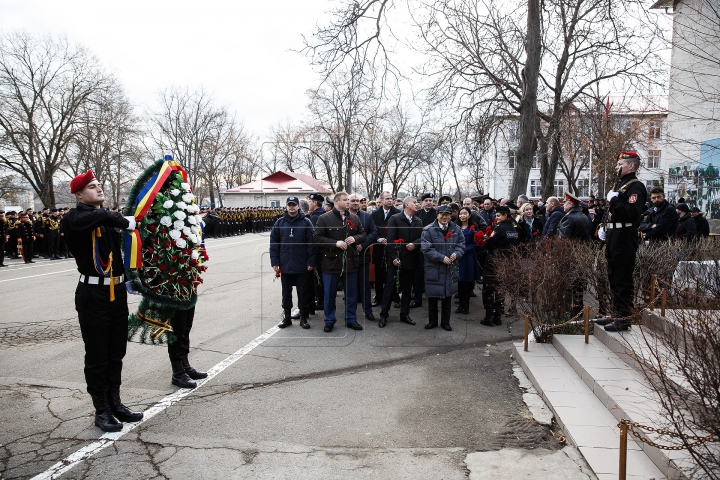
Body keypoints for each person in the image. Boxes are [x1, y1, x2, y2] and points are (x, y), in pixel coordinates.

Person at [62, 169, 143, 432]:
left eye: (99, 185)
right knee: (97, 355)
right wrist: (123, 220)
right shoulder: (76, 218)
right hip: (93, 295)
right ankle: (102, 410)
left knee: (116, 352)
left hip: (116, 292)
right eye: (92, 187)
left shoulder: (106, 220)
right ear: (79, 195)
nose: (98, 189)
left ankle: (115, 403)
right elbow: (97, 217)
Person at [595, 151, 647, 332]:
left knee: (623, 277)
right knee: (614, 275)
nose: (617, 168)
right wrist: (605, 225)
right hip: (614, 233)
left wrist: (615, 199)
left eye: (620, 164)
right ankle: (617, 312)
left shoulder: (636, 187)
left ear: (631, 166)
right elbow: (613, 211)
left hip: (625, 234)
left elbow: (632, 212)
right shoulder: (620, 184)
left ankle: (623, 318)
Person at [314, 192, 367, 332]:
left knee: (351, 294)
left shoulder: (354, 218)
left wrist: (355, 238)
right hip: (331, 263)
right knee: (330, 294)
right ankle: (329, 320)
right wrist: (335, 243)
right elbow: (317, 238)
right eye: (345, 200)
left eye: (348, 200)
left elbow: (363, 234)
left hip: (350, 262)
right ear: (336, 202)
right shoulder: (324, 218)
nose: (348, 202)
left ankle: (351, 319)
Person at [270, 196, 316, 330]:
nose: (291, 207)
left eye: (294, 205)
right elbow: (274, 244)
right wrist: (275, 262)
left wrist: (311, 261)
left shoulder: (306, 222)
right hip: (285, 265)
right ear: (286, 206)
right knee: (286, 293)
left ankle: (303, 318)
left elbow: (311, 244)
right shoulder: (279, 223)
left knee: (303, 293)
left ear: (298, 206)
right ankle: (287, 317)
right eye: (289, 205)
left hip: (302, 265)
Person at [378, 196, 424, 328]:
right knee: (389, 287)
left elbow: (422, 237)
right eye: (414, 203)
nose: (417, 204)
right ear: (406, 205)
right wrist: (393, 258)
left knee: (407, 288)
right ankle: (383, 315)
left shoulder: (418, 221)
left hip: (411, 259)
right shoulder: (395, 218)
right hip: (396, 259)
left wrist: (415, 244)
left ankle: (404, 314)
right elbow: (391, 239)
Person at [421, 205, 465, 330]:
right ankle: (432, 321)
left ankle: (445, 322)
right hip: (434, 268)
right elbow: (426, 248)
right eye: (442, 214)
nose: (444, 217)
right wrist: (441, 257)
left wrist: (456, 254)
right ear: (437, 215)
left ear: (451, 216)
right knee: (433, 296)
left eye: (447, 215)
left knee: (447, 296)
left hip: (450, 267)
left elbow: (461, 245)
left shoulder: (456, 229)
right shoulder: (428, 230)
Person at [481, 205, 519, 326]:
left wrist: (484, 241)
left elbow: (490, 243)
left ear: (505, 215)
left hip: (494, 261)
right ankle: (498, 317)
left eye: (498, 215)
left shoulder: (499, 229)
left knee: (488, 288)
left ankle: (489, 317)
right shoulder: (513, 229)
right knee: (500, 290)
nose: (496, 218)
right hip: (506, 262)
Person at [348, 193, 378, 322]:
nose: (355, 203)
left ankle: (368, 311)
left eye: (358, 201)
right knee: (350, 287)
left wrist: (363, 245)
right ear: (348, 202)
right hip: (348, 257)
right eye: (353, 201)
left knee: (365, 286)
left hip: (363, 256)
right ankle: (350, 314)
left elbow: (374, 232)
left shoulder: (367, 217)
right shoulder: (342, 217)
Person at [371, 192, 401, 309]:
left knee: (393, 274)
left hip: (392, 248)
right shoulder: (375, 214)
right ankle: (379, 297)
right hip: (379, 247)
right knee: (379, 274)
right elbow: (372, 229)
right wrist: (378, 238)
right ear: (381, 200)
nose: (390, 201)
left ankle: (395, 298)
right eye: (387, 199)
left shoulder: (397, 213)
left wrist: (392, 239)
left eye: (391, 199)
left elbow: (399, 230)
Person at [413, 193, 438, 308]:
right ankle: (417, 299)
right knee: (418, 275)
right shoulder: (417, 214)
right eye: (426, 200)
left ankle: (434, 297)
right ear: (422, 202)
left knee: (433, 275)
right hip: (419, 249)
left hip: (434, 249)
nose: (428, 202)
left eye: (430, 200)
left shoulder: (437, 214)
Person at [456, 207, 480, 314]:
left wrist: (462, 250)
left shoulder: (473, 228)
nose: (462, 216)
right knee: (459, 282)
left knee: (467, 282)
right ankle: (460, 304)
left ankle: (466, 304)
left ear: (469, 215)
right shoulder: (455, 227)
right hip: (457, 258)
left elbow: (475, 244)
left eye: (465, 213)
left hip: (468, 257)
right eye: (461, 214)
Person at [307, 193, 325, 313]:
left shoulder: (315, 217)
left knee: (317, 279)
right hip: (324, 252)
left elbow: (313, 238)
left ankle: (321, 301)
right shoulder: (324, 214)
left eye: (310, 202)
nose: (309, 204)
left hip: (318, 253)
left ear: (314, 203)